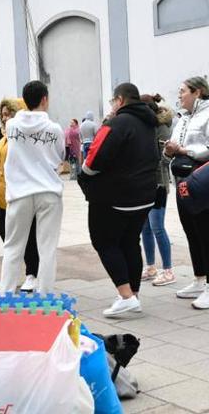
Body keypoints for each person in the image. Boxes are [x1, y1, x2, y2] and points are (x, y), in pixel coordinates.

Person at [79, 83, 158, 318]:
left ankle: (125, 296)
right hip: (144, 195)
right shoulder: (149, 123)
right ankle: (133, 294)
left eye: (114, 101)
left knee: (104, 242)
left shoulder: (117, 123)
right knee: (130, 242)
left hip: (115, 196)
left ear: (120, 100)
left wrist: (84, 174)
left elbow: (94, 158)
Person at [165, 77, 209, 310]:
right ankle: (199, 279)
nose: (179, 95)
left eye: (183, 91)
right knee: (191, 231)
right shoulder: (183, 118)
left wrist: (182, 149)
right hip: (183, 183)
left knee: (206, 232)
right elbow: (174, 146)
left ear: (198, 92)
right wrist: (170, 150)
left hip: (207, 183)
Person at [0, 80, 64, 294]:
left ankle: (5, 294)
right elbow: (58, 158)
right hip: (48, 191)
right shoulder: (54, 128)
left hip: (19, 192)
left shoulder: (12, 125)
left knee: (12, 247)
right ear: (45, 99)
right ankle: (45, 295)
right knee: (47, 248)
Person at [0, 98, 40, 292]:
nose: (4, 117)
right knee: (6, 235)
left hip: (20, 195)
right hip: (0, 196)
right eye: (2, 114)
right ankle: (19, 271)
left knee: (28, 237)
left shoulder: (24, 138)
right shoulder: (2, 137)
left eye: (9, 113)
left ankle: (32, 273)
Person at [139, 93, 175, 287]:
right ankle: (151, 266)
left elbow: (166, 159)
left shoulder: (161, 127)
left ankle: (168, 270)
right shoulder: (145, 126)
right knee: (145, 227)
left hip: (158, 183)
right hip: (144, 183)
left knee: (157, 227)